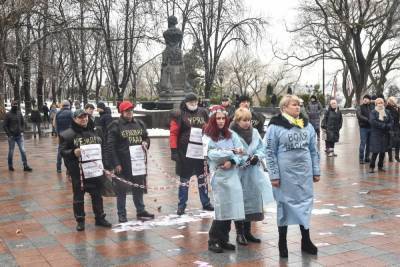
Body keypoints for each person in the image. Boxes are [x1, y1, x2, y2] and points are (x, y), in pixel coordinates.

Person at [264, 94, 320, 258]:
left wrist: (316, 170)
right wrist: (274, 175)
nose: (298, 107)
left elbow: (313, 149)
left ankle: (306, 240)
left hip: (304, 174)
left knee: (305, 204)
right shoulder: (275, 127)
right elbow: (269, 152)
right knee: (284, 207)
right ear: (284, 108)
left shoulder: (306, 125)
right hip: (285, 175)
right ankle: (283, 243)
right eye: (294, 105)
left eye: (299, 105)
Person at [59, 109, 112, 231]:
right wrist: (73, 152)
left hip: (95, 171)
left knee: (97, 195)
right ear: (74, 119)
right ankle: (80, 220)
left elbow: (103, 148)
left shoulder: (96, 131)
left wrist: (107, 166)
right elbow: (62, 151)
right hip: (79, 172)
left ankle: (100, 218)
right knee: (78, 197)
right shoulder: (67, 134)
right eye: (80, 117)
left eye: (85, 117)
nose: (84, 119)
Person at [203, 105, 245, 253]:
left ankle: (223, 239)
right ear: (213, 119)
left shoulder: (232, 134)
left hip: (232, 175)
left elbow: (242, 153)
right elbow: (211, 154)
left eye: (222, 118)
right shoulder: (207, 136)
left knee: (231, 207)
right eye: (217, 118)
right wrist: (231, 153)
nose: (220, 121)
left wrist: (232, 161)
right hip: (219, 176)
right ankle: (213, 240)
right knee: (221, 208)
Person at [230, 108, 274, 246]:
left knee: (251, 201)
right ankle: (239, 233)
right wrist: (242, 160)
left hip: (253, 173)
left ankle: (248, 232)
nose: (247, 123)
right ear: (237, 121)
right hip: (239, 172)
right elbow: (230, 152)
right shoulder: (231, 134)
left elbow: (262, 148)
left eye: (248, 120)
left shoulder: (255, 133)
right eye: (244, 120)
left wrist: (257, 156)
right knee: (239, 201)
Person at [106, 101, 154, 222]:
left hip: (138, 163)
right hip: (123, 164)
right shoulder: (115, 125)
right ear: (121, 112)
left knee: (138, 187)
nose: (130, 113)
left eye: (131, 110)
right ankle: (122, 214)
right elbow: (110, 146)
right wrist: (116, 163)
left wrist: (146, 143)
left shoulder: (139, 123)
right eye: (127, 111)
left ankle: (141, 210)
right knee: (121, 189)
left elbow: (146, 137)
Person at [170, 93, 213, 215]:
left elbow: (209, 128)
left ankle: (206, 202)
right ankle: (181, 205)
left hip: (200, 152)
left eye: (195, 102)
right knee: (184, 180)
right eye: (191, 103)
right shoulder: (179, 114)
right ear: (186, 103)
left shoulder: (203, 112)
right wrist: (174, 150)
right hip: (185, 153)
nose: (193, 104)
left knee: (202, 178)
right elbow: (173, 133)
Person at [3, 100, 33, 172]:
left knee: (23, 151)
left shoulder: (19, 113)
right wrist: (9, 134)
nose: (15, 105)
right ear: (12, 105)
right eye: (14, 104)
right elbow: (4, 126)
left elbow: (23, 123)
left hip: (19, 135)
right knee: (11, 151)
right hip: (12, 137)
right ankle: (10, 165)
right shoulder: (8, 114)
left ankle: (25, 165)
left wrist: (22, 130)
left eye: (16, 104)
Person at [369, 98, 392, 173]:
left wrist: (388, 125)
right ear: (376, 104)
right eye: (378, 103)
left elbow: (391, 120)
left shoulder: (387, 111)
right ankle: (372, 167)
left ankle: (380, 166)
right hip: (376, 134)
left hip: (385, 134)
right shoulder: (373, 112)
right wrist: (383, 125)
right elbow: (373, 122)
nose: (380, 104)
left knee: (383, 152)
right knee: (375, 151)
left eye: (381, 102)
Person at [55, 100, 73, 173]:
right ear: (68, 106)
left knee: (60, 150)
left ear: (62, 105)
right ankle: (68, 169)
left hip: (61, 134)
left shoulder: (58, 113)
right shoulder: (71, 113)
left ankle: (58, 167)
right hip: (69, 135)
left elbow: (55, 124)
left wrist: (58, 133)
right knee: (69, 151)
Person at [356, 95, 372, 164]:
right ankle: (361, 158)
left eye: (367, 99)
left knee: (369, 144)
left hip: (371, 127)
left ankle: (367, 158)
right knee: (363, 143)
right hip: (363, 128)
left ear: (369, 100)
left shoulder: (371, 107)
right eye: (364, 98)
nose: (365, 100)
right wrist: (368, 120)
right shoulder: (359, 107)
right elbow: (359, 116)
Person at [386, 97, 400, 162]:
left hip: (397, 127)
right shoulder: (387, 108)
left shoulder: (396, 108)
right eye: (393, 101)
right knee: (390, 143)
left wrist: (398, 109)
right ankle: (390, 157)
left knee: (398, 142)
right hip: (391, 127)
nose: (394, 102)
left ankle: (397, 156)